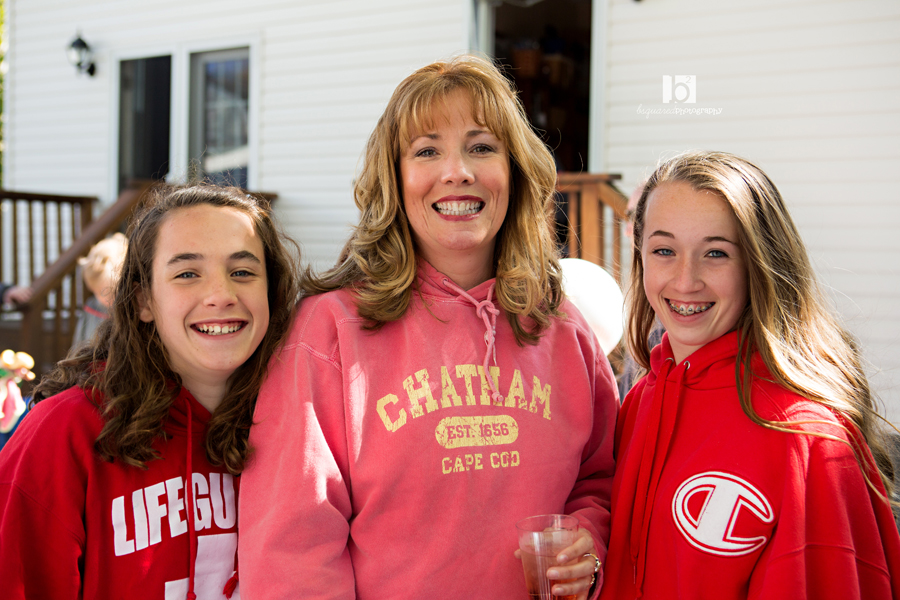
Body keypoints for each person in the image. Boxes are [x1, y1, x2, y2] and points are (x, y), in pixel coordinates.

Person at [240, 55, 618, 600]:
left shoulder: (564, 330)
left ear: (514, 171)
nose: (457, 171)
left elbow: (601, 482)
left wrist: (587, 545)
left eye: (481, 147)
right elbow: (292, 549)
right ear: (394, 179)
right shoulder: (329, 331)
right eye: (426, 151)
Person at [600, 151, 900, 599]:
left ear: (759, 264)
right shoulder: (641, 400)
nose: (685, 280)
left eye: (716, 253)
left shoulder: (808, 440)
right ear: (641, 257)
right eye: (664, 251)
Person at [0, 185, 300, 599]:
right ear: (144, 300)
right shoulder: (64, 430)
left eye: (243, 272)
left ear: (272, 291)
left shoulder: (301, 430)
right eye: (187, 274)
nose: (221, 295)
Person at [71, 232, 128, 351]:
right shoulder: (91, 310)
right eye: (98, 293)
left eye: (110, 293)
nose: (104, 299)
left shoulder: (129, 312)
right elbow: (79, 345)